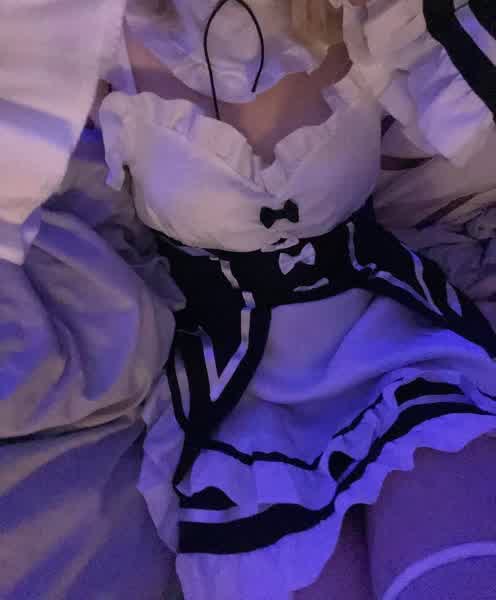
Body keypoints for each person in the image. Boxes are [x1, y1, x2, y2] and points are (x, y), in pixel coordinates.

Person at [1, 1, 496, 599]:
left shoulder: (367, 16)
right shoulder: (92, 44)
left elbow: (468, 90)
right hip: (244, 412)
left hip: (399, 356)